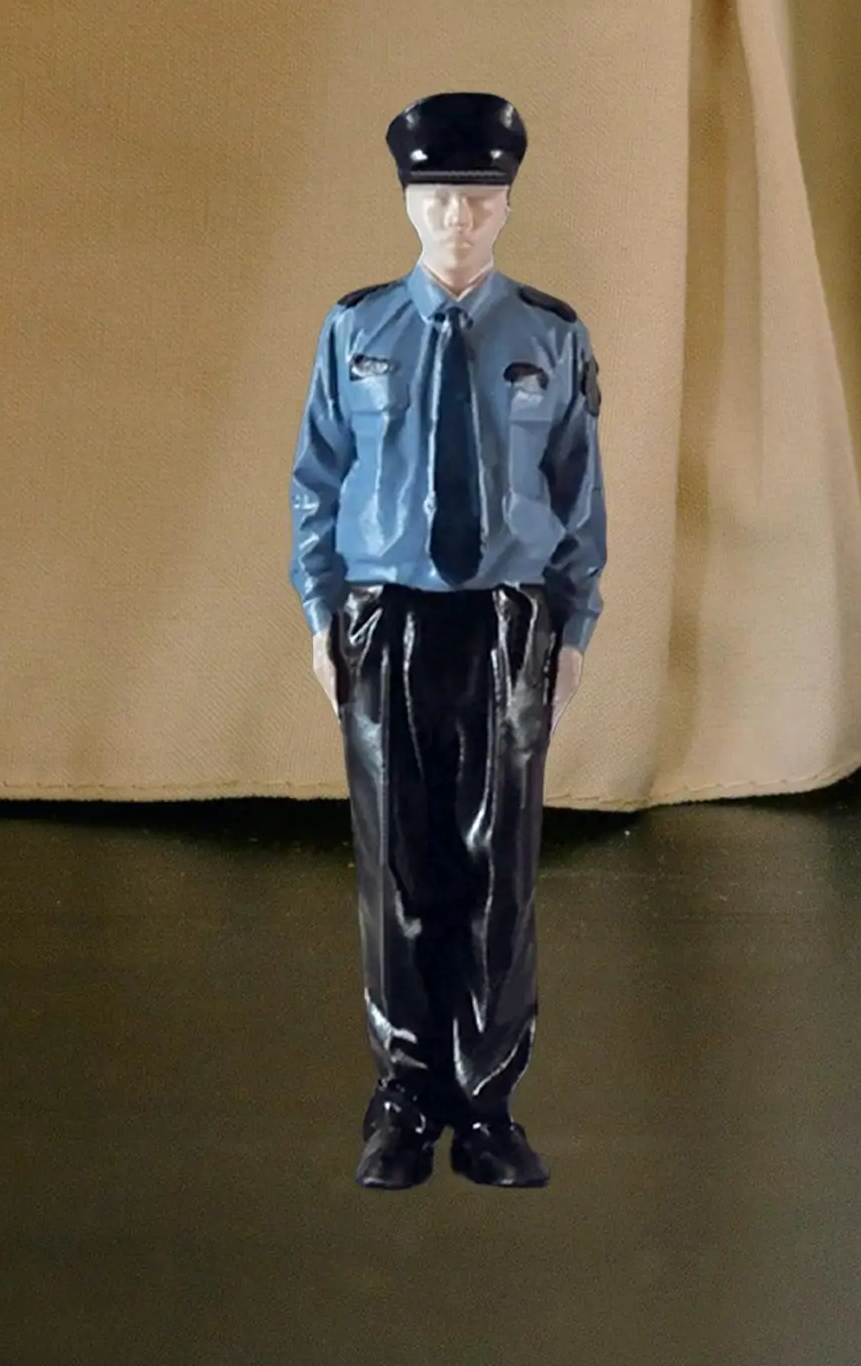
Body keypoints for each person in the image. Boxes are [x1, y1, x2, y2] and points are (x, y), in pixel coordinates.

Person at [289, 91, 606, 1189]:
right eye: (436, 197)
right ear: (406, 203)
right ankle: (403, 1095)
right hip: (388, 611)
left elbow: (577, 488)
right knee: (397, 861)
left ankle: (486, 1103)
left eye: (478, 197)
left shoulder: (549, 335)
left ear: (508, 203)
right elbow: (317, 480)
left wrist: (575, 622)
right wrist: (320, 611)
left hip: (507, 615)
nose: (457, 218)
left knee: (498, 866)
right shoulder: (357, 331)